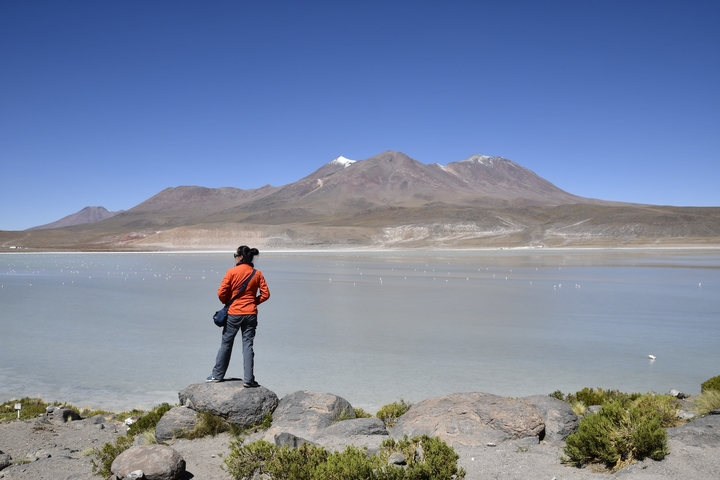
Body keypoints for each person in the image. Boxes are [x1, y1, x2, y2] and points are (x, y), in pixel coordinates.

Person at [208, 246, 270, 387]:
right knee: (248, 345)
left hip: (234, 314)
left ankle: (217, 375)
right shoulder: (257, 273)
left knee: (226, 344)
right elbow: (266, 294)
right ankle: (248, 379)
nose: (235, 257)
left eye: (235, 255)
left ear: (241, 257)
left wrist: (228, 303)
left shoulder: (231, 272)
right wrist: (253, 302)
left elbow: (221, 293)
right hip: (251, 314)